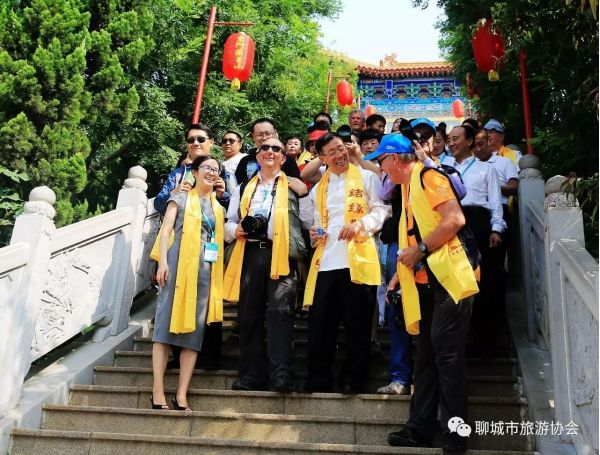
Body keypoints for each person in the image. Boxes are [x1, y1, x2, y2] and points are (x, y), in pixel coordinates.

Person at [376, 122, 479, 453]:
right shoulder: (408, 186)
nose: (381, 168)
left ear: (395, 159)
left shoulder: (429, 177)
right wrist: (400, 272)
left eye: (382, 161)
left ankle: (456, 433)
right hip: (426, 279)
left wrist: (419, 250)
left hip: (451, 276)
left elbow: (455, 220)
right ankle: (419, 428)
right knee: (426, 356)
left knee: (447, 355)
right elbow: (414, 231)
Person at [301, 133, 390, 394]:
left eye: (341, 148)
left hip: (358, 260)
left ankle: (353, 378)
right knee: (321, 325)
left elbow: (382, 210)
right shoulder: (319, 188)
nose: (339, 155)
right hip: (326, 261)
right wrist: (314, 232)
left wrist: (360, 224)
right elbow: (316, 221)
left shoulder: (367, 177)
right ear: (322, 158)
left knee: (358, 324)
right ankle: (319, 377)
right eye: (331, 152)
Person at [224, 137, 308, 393]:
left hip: (281, 252)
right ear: (257, 155)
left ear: (283, 158)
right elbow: (229, 222)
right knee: (249, 315)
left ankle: (282, 372)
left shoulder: (294, 185)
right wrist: (236, 230)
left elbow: (308, 219)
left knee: (281, 313)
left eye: (276, 149)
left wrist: (305, 195)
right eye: (265, 148)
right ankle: (252, 373)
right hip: (249, 252)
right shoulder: (244, 187)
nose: (270, 151)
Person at [151, 155, 225, 411]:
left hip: (205, 270)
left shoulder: (217, 208)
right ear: (194, 171)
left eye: (216, 169)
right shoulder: (180, 197)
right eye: (207, 167)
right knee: (164, 328)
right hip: (177, 264)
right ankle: (157, 391)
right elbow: (166, 230)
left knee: (195, 334)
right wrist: (162, 262)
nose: (211, 172)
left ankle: (181, 394)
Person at [448, 125, 506, 360]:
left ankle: (485, 342)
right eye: (449, 139)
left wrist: (496, 228)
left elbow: (495, 202)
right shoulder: (445, 169)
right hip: (452, 225)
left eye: (456, 138)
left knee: (483, 280)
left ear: (470, 141)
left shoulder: (486, 169)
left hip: (478, 224)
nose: (451, 143)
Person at [472, 129, 518, 355]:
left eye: (484, 142)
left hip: (495, 218)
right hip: (470, 223)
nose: (480, 147)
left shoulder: (502, 163)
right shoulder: (464, 167)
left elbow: (513, 187)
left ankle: (493, 335)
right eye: (476, 143)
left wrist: (491, 186)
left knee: (491, 274)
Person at [154, 124, 228, 213]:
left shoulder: (223, 172)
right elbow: (158, 205)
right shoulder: (178, 173)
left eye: (201, 139)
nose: (195, 143)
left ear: (211, 142)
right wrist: (174, 193)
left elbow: (235, 210)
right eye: (191, 140)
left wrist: (221, 196)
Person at [234, 118, 301, 184]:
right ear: (253, 137)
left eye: (268, 133)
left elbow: (298, 185)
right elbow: (237, 186)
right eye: (260, 135)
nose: (264, 138)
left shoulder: (288, 160)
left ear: (275, 134)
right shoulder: (245, 161)